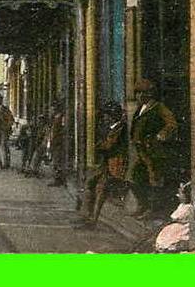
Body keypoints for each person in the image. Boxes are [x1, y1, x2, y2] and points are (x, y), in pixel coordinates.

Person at [128, 80, 178, 218]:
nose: (138, 96)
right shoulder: (140, 108)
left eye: (140, 93)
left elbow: (171, 124)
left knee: (153, 179)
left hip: (153, 151)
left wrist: (161, 135)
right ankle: (143, 206)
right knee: (135, 179)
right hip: (142, 150)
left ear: (148, 94)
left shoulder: (158, 107)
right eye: (137, 93)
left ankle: (152, 210)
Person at [76, 101, 129, 229]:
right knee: (92, 184)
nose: (104, 117)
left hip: (114, 163)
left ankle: (92, 220)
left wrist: (99, 146)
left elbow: (109, 145)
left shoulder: (119, 128)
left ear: (112, 116)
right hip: (107, 162)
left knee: (100, 189)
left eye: (107, 115)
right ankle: (88, 217)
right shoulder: (113, 127)